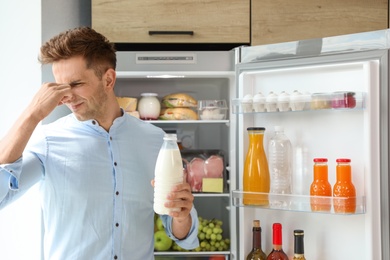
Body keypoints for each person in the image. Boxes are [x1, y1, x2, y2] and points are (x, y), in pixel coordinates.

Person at [0, 27, 199, 259]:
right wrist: (32, 114)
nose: (66, 97)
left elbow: (182, 236)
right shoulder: (48, 140)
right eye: (59, 86)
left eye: (75, 84)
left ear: (108, 79)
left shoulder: (156, 142)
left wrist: (182, 216)